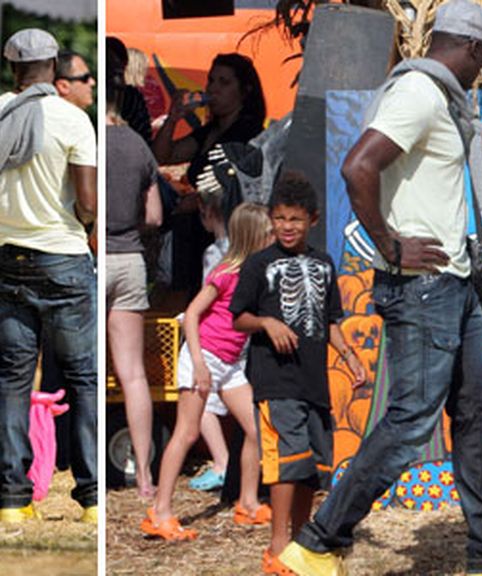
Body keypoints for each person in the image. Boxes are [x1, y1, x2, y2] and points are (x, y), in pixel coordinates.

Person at [278, 3, 482, 575]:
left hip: (451, 287)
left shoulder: (437, 99)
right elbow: (359, 166)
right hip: (424, 289)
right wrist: (388, 244)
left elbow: (444, 208)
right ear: (471, 50)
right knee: (410, 421)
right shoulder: (419, 93)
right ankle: (314, 544)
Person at [229, 173, 366, 575]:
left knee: (313, 465)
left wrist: (349, 356)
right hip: (275, 379)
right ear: (271, 219)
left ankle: (303, 542)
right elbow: (239, 317)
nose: (287, 227)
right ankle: (277, 546)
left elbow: (330, 321)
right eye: (281, 219)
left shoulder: (323, 263)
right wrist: (267, 324)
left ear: (314, 220)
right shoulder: (259, 264)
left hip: (314, 381)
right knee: (289, 459)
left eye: (296, 220)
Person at [0, 28, 97, 523]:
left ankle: (13, 505)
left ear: (12, 66)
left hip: (8, 257)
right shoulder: (73, 118)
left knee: (13, 380)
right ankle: (93, 499)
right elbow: (86, 203)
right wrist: (83, 222)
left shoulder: (0, 113)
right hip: (61, 256)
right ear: (55, 65)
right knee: (82, 378)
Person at [141, 203, 277, 541]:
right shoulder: (226, 272)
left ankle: (247, 502)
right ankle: (159, 511)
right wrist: (200, 366)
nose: (276, 237)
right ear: (254, 236)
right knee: (186, 433)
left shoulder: (258, 274)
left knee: (257, 427)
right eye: (270, 232)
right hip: (203, 358)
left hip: (229, 365)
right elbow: (191, 314)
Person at [153, 52, 266, 298]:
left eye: (224, 83)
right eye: (211, 81)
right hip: (198, 228)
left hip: (229, 231)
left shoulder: (250, 133)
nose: (214, 89)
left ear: (244, 91)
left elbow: (240, 181)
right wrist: (174, 118)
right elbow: (163, 155)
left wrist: (199, 198)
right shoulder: (208, 132)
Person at [106, 61, 163, 499]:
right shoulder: (139, 146)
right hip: (130, 263)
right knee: (134, 376)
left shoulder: (88, 140)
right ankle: (143, 473)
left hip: (93, 258)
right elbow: (155, 216)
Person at [186, 194, 232, 493]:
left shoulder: (215, 253)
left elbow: (207, 296)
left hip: (213, 337)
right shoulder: (240, 248)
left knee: (200, 399)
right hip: (234, 339)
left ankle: (221, 463)